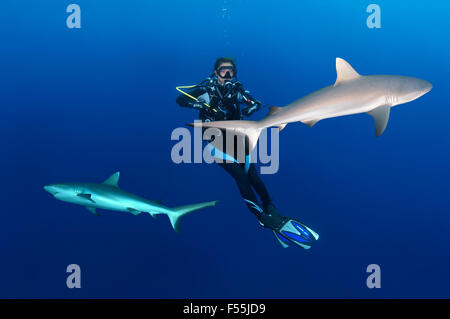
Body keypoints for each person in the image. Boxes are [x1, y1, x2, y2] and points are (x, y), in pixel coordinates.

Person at [176, 57, 318, 249]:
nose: (227, 76)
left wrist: (252, 106)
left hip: (238, 141)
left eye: (231, 71)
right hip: (215, 143)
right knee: (241, 178)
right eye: (223, 71)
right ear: (215, 71)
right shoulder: (206, 89)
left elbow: (255, 102)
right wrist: (205, 106)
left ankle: (271, 209)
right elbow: (181, 99)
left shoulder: (236, 89)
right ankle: (261, 217)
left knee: (255, 177)